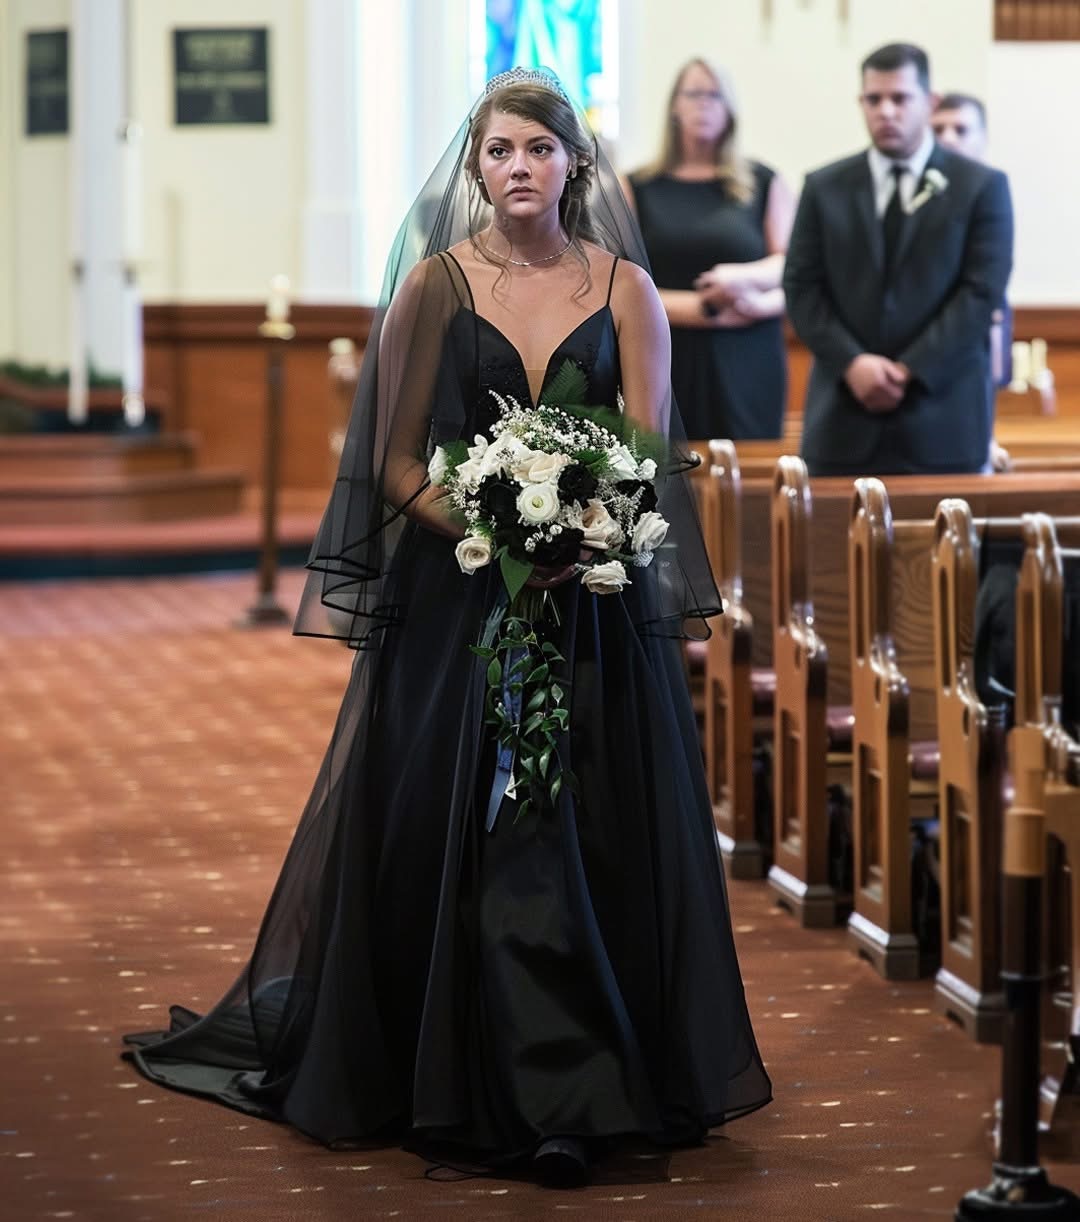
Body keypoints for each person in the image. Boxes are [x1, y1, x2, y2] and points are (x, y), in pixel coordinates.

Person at [124, 68, 771, 1189]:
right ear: (476, 169)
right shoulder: (434, 285)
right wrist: (494, 525)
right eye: (498, 151)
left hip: (591, 609)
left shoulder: (626, 289)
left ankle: (579, 1085)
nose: (518, 168)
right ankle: (469, 1074)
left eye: (538, 149)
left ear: (574, 163)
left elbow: (651, 453)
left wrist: (582, 529)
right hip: (461, 602)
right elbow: (391, 463)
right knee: (469, 825)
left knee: (579, 826)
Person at [783, 44, 1014, 476]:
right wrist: (853, 363)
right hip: (841, 422)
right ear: (861, 102)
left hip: (944, 422)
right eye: (874, 99)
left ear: (930, 102)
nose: (886, 111)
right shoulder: (824, 187)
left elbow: (981, 292)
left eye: (900, 98)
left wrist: (910, 369)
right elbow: (801, 287)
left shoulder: (981, 187)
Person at [624, 58, 794, 441]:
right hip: (667, 352)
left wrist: (740, 280)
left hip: (748, 354)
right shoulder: (637, 187)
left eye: (715, 96)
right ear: (674, 105)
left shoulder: (763, 182)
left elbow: (791, 266)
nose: (704, 104)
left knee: (748, 466)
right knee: (668, 467)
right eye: (694, 94)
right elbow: (620, 284)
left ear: (730, 109)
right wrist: (703, 310)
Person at [932, 91, 1012, 398]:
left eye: (961, 129)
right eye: (938, 129)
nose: (948, 139)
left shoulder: (993, 195)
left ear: (983, 137)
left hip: (977, 338)